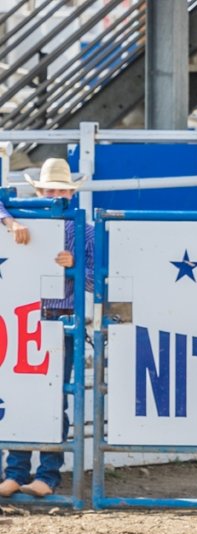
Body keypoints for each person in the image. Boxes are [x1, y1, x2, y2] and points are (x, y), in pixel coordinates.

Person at [0, 158, 95, 498]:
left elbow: (97, 280)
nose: (54, 193)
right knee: (25, 393)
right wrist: (9, 221)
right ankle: (19, 471)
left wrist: (76, 268)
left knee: (53, 398)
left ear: (68, 193)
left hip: (56, 320)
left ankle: (45, 473)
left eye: (59, 189)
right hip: (24, 319)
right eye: (50, 188)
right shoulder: (25, 218)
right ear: (40, 190)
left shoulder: (82, 230)